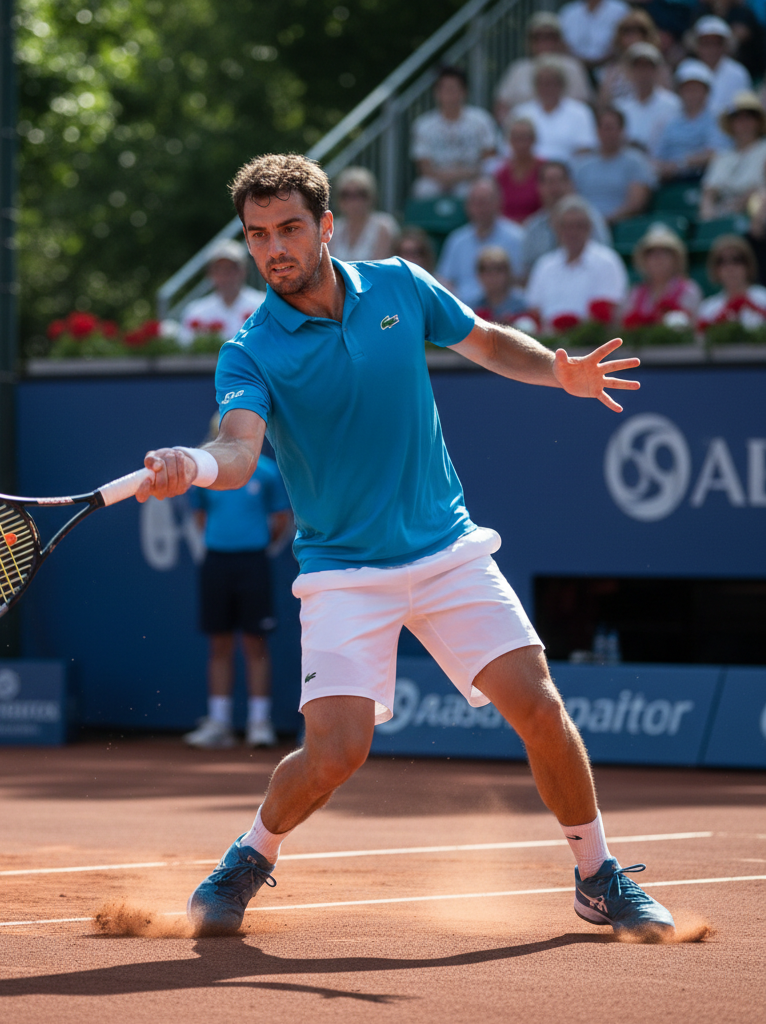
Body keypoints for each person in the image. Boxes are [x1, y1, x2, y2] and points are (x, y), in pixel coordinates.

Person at [137, 152, 675, 942]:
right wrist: (195, 464)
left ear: (327, 226)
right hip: (343, 569)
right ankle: (247, 858)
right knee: (335, 755)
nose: (274, 248)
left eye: (289, 228)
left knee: (539, 704)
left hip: (445, 547)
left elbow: (487, 341)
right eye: (257, 236)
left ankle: (597, 876)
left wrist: (558, 372)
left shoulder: (397, 283)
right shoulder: (248, 350)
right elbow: (241, 450)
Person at [184, 414, 292, 750]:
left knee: (255, 643)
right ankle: (219, 723)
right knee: (219, 644)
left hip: (253, 563)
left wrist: (252, 542)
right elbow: (200, 519)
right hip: (217, 562)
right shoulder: (204, 478)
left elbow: (279, 521)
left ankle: (259, 723)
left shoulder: (268, 472)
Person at [525, 196, 630, 330]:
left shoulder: (607, 262)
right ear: (556, 229)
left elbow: (610, 313)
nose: (573, 232)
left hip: (591, 343)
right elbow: (534, 311)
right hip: (548, 344)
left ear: (589, 228)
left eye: (579, 226)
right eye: (567, 226)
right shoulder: (544, 265)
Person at [410, 66, 499, 199]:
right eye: (445, 89)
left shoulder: (482, 120)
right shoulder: (423, 124)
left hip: (472, 177)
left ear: (464, 91)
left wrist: (462, 175)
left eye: (454, 89)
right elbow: (424, 166)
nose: (449, 94)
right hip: (437, 180)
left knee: (479, 188)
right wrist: (445, 178)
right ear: (437, 93)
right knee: (423, 189)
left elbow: (490, 158)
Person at [435, 178, 524, 307]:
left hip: (503, 310)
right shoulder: (457, 240)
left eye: (484, 202)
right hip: (464, 310)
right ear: (468, 206)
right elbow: (444, 279)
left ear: (498, 203)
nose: (480, 208)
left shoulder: (516, 237)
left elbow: (520, 280)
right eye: (475, 203)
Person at [495, 12, 593, 125]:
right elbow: (501, 106)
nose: (544, 41)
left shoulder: (573, 67)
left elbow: (584, 105)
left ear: (559, 40)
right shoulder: (518, 69)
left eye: (550, 37)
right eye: (538, 37)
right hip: (524, 134)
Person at [522, 160, 611, 277]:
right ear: (539, 187)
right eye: (549, 182)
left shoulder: (590, 219)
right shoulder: (533, 227)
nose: (555, 188)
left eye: (560, 181)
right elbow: (527, 272)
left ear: (571, 184)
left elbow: (603, 258)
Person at [573, 107, 656, 224]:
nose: (607, 133)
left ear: (622, 131)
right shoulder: (582, 165)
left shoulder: (636, 161)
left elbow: (636, 203)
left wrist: (605, 221)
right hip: (584, 225)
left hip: (622, 224)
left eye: (611, 128)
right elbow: (573, 200)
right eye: (603, 128)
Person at [653, 59, 731, 180]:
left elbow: (716, 154)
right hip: (669, 182)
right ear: (680, 92)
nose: (692, 94)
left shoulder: (717, 117)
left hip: (702, 179)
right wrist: (663, 167)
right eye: (687, 89)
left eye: (697, 89)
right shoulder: (669, 121)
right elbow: (657, 157)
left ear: (707, 92)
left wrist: (680, 164)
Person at [510, 57, 599, 162]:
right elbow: (510, 149)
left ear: (562, 84)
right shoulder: (520, 112)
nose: (546, 87)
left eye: (551, 82)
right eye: (542, 83)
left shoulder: (581, 112)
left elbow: (585, 149)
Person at [178, 240, 264, 346]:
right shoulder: (196, 311)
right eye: (218, 269)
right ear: (210, 273)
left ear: (243, 271)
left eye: (230, 269)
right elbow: (186, 347)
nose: (224, 276)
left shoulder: (262, 305)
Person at [699, 91, 766, 219]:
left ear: (758, 122)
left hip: (755, 213)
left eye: (749, 117)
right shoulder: (722, 156)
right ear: (731, 123)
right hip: (723, 209)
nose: (743, 123)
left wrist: (741, 202)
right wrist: (708, 218)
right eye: (738, 118)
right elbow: (709, 193)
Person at [620, 224, 702, 327]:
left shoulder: (689, 290)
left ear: (675, 260)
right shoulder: (635, 293)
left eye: (665, 253)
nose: (658, 258)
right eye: (652, 253)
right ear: (645, 261)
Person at [615, 43, 682, 153]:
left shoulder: (673, 104)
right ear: (630, 72)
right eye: (638, 67)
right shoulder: (620, 107)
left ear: (656, 71)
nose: (643, 73)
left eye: (647, 67)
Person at [597, 9, 674, 104]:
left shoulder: (659, 68)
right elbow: (603, 105)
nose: (632, 36)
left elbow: (666, 102)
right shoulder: (612, 71)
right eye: (626, 31)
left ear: (647, 35)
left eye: (638, 31)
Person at [328, 166, 399, 262]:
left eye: (360, 194)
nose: (353, 201)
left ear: (371, 196)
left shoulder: (384, 226)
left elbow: (380, 267)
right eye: (346, 194)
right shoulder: (334, 228)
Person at [696, 232, 766, 329]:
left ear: (748, 265)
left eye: (736, 260)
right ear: (715, 269)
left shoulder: (763, 297)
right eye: (722, 261)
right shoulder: (708, 308)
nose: (730, 267)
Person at [692, 15, 752, 116]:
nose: (711, 49)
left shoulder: (739, 73)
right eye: (706, 43)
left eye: (716, 43)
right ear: (697, 45)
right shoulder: (689, 71)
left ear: (725, 46)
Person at [493, 117, 544, 223]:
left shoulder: (545, 170)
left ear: (534, 139)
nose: (521, 144)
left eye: (525, 138)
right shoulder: (500, 173)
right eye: (516, 138)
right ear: (509, 141)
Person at [559, 0, 633, 67]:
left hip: (611, 66)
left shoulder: (620, 10)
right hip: (574, 67)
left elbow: (626, 40)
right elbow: (562, 42)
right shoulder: (568, 12)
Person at [474, 246, 529, 322]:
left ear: (508, 273)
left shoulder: (522, 305)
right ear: (479, 275)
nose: (493, 276)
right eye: (486, 270)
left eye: (498, 270)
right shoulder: (474, 308)